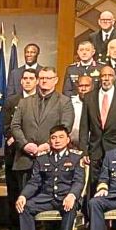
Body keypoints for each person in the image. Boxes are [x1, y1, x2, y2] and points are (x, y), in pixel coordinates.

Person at [14, 125, 85, 230]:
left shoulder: (76, 158)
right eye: (53, 138)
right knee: (24, 206)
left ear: (68, 139)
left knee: (70, 206)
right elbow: (34, 182)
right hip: (46, 198)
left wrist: (72, 195)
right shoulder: (42, 158)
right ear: (49, 140)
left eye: (60, 137)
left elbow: (78, 181)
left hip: (66, 197)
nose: (57, 140)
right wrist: (23, 195)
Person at [10, 67, 74, 204]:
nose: (44, 81)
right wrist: (25, 145)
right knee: (24, 203)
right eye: (42, 78)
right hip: (25, 159)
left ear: (55, 80)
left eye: (48, 78)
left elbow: (65, 127)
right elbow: (15, 125)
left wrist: (47, 145)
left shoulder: (64, 102)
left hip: (51, 159)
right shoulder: (25, 102)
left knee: (49, 203)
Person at [83, 66, 116, 168]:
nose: (106, 78)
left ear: (114, 78)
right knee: (94, 182)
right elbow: (84, 126)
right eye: (103, 75)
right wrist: (84, 151)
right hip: (95, 150)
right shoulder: (89, 97)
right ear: (100, 78)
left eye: (109, 75)